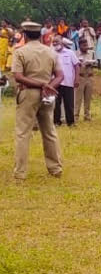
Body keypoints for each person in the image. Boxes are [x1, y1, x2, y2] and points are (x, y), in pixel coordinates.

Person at [11, 21, 64, 180]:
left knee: (23, 133)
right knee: (49, 132)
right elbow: (60, 75)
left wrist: (40, 84)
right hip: (48, 95)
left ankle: (20, 172)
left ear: (25, 35)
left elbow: (18, 76)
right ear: (41, 35)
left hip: (28, 93)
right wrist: (48, 86)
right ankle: (55, 168)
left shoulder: (20, 52)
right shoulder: (50, 52)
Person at [52, 36, 79, 127]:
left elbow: (76, 66)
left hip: (68, 82)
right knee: (56, 103)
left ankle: (70, 122)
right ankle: (56, 122)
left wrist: (76, 79)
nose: (55, 43)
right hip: (55, 83)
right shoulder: (51, 53)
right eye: (53, 42)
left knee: (69, 103)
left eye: (57, 41)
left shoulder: (70, 53)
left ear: (62, 42)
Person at [75, 37, 96, 122]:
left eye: (86, 45)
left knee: (88, 97)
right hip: (81, 76)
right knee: (78, 98)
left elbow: (96, 63)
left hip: (89, 77)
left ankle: (87, 115)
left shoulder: (91, 53)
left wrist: (91, 63)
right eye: (84, 45)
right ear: (79, 46)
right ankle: (75, 116)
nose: (86, 47)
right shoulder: (76, 54)